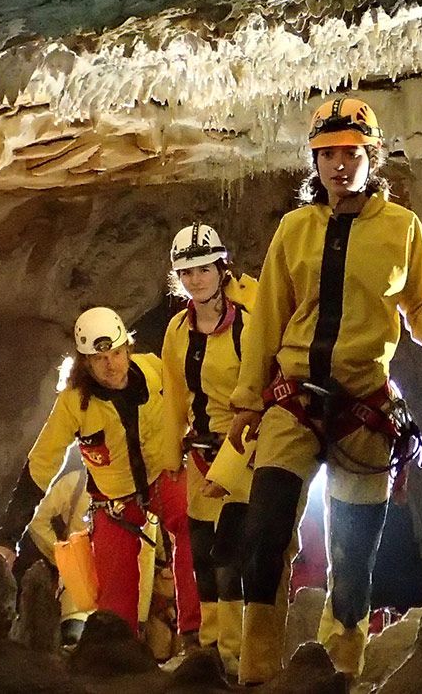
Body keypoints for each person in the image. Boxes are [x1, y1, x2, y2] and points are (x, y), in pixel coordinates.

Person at [227, 96, 422, 682]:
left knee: (353, 561)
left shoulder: (400, 230)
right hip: (294, 400)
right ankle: (257, 672)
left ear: (370, 157)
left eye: (350, 153)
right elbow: (267, 320)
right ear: (314, 162)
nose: (337, 165)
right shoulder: (294, 230)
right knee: (265, 531)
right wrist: (248, 400)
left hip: (364, 409)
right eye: (326, 154)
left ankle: (340, 673)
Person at [0, 306, 198, 637]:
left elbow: (193, 405)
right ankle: (118, 653)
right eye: (100, 359)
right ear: (85, 362)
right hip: (114, 500)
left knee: (194, 519)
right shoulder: (74, 403)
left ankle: (196, 633)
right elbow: (41, 465)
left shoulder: (155, 371)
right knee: (114, 596)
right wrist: (7, 537)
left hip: (162, 475)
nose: (111, 364)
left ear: (127, 347)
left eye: (116, 353)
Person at [161, 223, 259, 671]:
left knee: (230, 554)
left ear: (222, 269)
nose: (196, 279)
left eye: (204, 269)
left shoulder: (247, 324)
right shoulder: (178, 331)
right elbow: (174, 397)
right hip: (200, 450)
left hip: (241, 446)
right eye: (187, 272)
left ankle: (237, 654)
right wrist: (169, 459)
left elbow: (261, 389)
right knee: (201, 555)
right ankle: (211, 651)